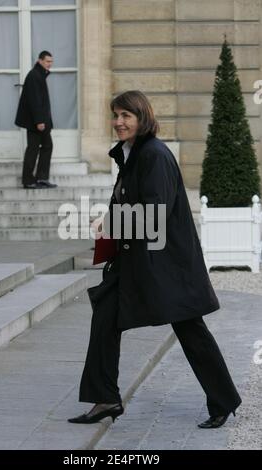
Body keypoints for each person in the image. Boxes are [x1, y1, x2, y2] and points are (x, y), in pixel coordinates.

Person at [68, 90, 241, 429]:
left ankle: (222, 401)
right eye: (115, 115)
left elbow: (155, 213)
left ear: (141, 117)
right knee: (105, 315)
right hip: (137, 262)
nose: (118, 122)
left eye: (126, 116)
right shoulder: (132, 154)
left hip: (166, 266)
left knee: (191, 328)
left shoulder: (154, 155)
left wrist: (110, 222)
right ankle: (105, 399)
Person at [15, 50, 57, 189]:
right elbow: (35, 100)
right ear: (40, 61)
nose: (50, 64)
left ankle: (41, 178)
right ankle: (28, 180)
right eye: (47, 61)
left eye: (51, 62)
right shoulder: (34, 75)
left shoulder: (40, 74)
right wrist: (39, 121)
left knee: (46, 146)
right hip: (36, 123)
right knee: (33, 149)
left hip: (41, 121)